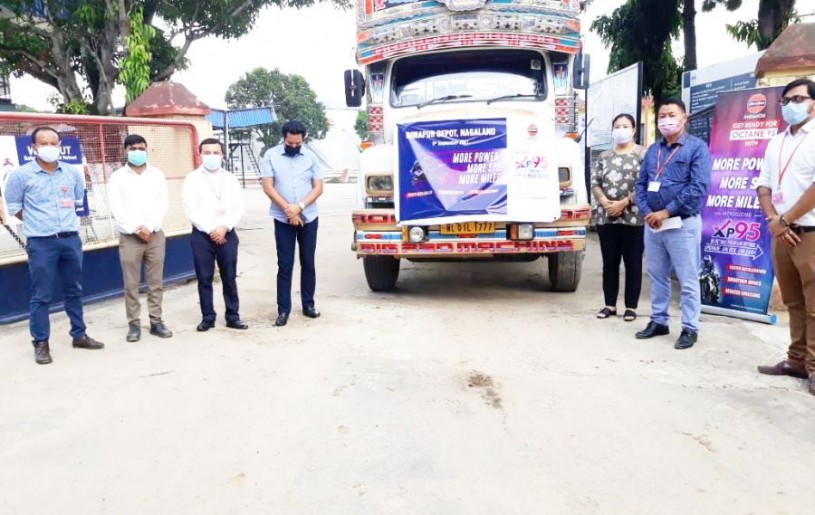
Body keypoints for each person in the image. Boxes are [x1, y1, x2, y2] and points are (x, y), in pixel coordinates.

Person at [3, 126, 104, 364]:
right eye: (43, 143)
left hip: (70, 240)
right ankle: (41, 343)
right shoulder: (21, 175)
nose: (49, 147)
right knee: (42, 295)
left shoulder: (71, 172)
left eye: (53, 143)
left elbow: (78, 199)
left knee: (74, 290)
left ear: (60, 146)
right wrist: (38, 222)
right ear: (33, 147)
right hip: (41, 243)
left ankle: (79, 335)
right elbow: (13, 207)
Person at [634, 99, 711, 350]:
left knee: (688, 278)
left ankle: (690, 327)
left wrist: (665, 212)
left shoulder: (696, 148)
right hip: (653, 225)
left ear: (684, 118)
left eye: (672, 115)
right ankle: (659, 321)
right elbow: (641, 184)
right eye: (662, 115)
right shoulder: (653, 150)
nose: (666, 119)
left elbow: (697, 187)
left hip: (681, 224)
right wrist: (648, 213)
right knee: (657, 276)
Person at [755, 78, 815, 395]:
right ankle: (795, 361)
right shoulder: (776, 142)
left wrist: (786, 219)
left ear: (813, 102)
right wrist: (774, 221)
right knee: (793, 301)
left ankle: (814, 368)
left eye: (798, 98)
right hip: (780, 233)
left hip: (809, 233)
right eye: (786, 100)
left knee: (814, 304)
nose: (791, 104)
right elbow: (763, 186)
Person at [107, 134, 172, 342]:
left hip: (155, 236)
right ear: (125, 150)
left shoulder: (157, 174)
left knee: (156, 282)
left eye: (142, 148)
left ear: (147, 150)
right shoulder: (117, 177)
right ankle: (134, 324)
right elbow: (116, 208)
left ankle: (156, 321)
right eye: (133, 148)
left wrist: (150, 227)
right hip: (130, 237)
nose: (138, 152)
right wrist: (136, 229)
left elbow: (162, 203)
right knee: (131, 284)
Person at [260, 120, 324, 327]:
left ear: (303, 139)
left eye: (298, 143)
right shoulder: (271, 155)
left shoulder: (312, 156)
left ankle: (308, 305)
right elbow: (268, 187)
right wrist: (289, 210)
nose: (294, 146)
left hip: (309, 217)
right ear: (284, 138)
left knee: (308, 262)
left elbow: (318, 187)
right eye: (290, 143)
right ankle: (283, 309)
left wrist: (300, 206)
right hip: (282, 218)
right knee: (285, 265)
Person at [182, 137, 248, 331]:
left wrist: (224, 227)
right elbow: (189, 208)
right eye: (207, 152)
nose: (212, 156)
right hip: (202, 235)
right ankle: (208, 317)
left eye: (216, 152)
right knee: (204, 278)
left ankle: (233, 316)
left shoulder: (231, 178)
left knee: (229, 276)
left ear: (222, 154)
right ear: (200, 154)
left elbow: (238, 207)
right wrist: (210, 229)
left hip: (227, 233)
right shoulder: (192, 178)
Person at [591, 113, 645, 322]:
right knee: (610, 263)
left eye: (625, 126)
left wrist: (624, 203)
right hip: (607, 217)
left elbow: (645, 184)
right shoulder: (604, 156)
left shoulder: (643, 154)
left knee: (633, 263)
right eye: (617, 126)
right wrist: (605, 202)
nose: (621, 129)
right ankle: (609, 304)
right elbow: (595, 182)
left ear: (633, 130)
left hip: (633, 217)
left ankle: (631, 306)